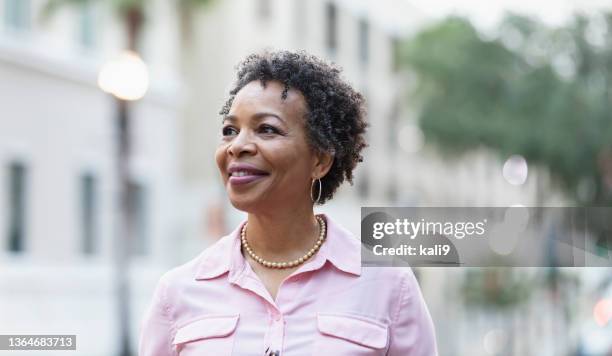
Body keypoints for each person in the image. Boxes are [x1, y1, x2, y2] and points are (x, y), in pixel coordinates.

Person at [139, 50, 438, 355]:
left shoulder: (389, 286)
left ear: (320, 160)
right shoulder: (177, 292)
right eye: (230, 130)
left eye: (266, 129)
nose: (238, 145)